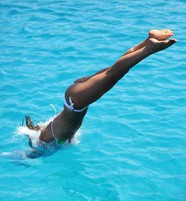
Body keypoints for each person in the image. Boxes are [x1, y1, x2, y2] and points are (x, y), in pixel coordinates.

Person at [26, 29, 177, 146]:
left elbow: (33, 154)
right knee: (117, 69)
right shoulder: (48, 130)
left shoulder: (44, 141)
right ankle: (149, 39)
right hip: (77, 96)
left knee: (113, 74)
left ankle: (149, 49)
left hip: (76, 101)